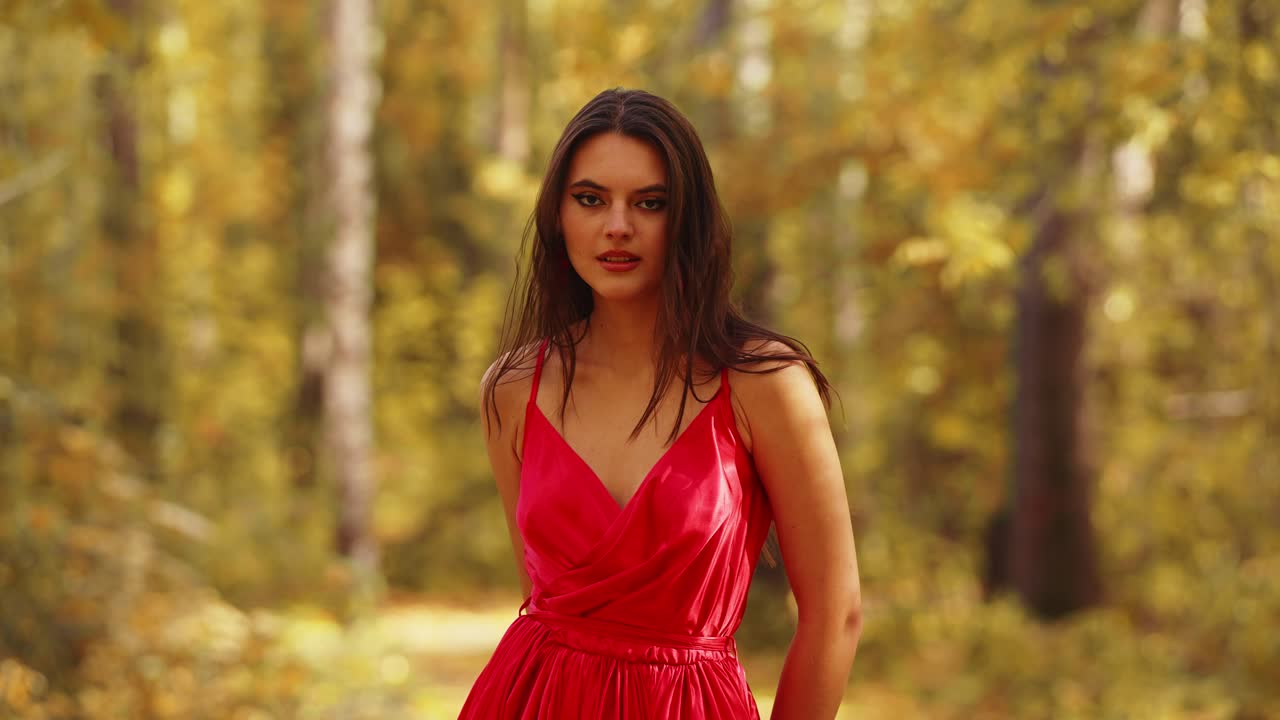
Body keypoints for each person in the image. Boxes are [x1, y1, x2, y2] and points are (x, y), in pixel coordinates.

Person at [459, 88, 861, 720]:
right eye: (590, 199)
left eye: (650, 203)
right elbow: (540, 599)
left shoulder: (765, 383)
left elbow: (836, 616)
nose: (617, 225)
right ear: (558, 215)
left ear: (688, 220)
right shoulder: (513, 389)